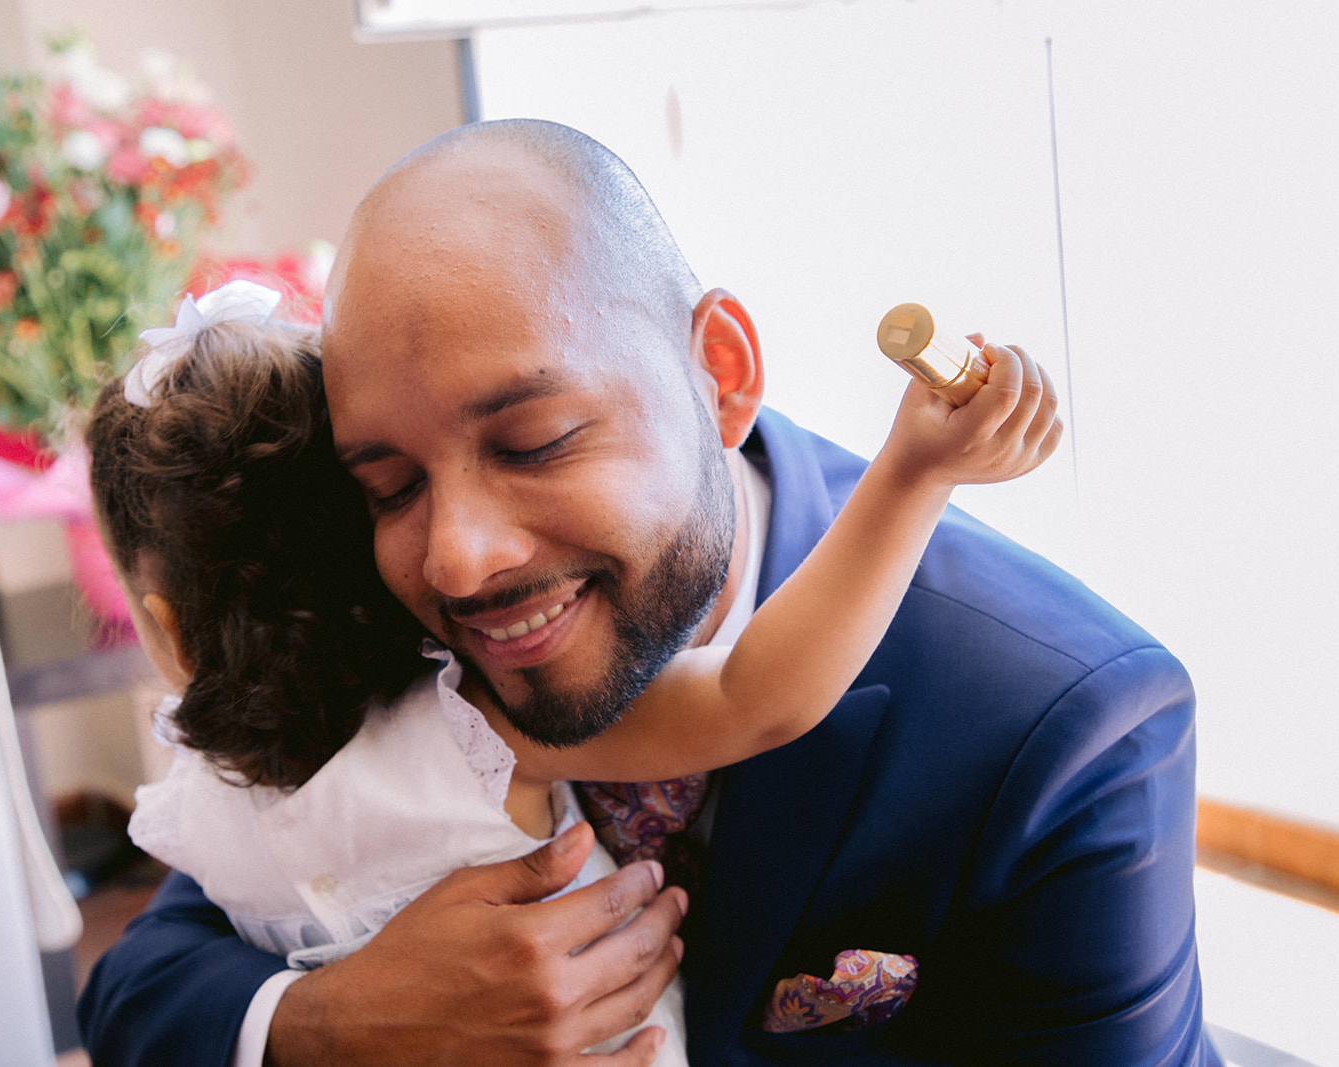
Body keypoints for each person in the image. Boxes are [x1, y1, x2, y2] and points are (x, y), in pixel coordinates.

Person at [79, 119, 1216, 1066]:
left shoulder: (1061, 719)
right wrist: (333, 1023)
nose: (459, 562)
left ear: (721, 374)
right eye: (390, 485)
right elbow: (149, 979)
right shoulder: (376, 624)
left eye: (533, 442)